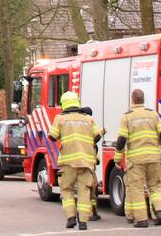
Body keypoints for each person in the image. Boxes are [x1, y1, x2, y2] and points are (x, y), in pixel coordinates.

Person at [115, 89, 161, 228]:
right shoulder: (153, 114)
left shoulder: (126, 117)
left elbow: (122, 139)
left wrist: (117, 158)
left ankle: (141, 220)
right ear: (143, 100)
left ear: (132, 100)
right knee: (156, 187)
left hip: (136, 160)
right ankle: (159, 212)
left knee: (137, 188)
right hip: (154, 157)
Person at [49, 91, 102, 230]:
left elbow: (52, 137)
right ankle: (83, 222)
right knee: (84, 191)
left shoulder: (60, 118)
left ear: (63, 104)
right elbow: (97, 137)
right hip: (86, 162)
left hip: (68, 163)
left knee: (67, 190)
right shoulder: (88, 119)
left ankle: (71, 217)